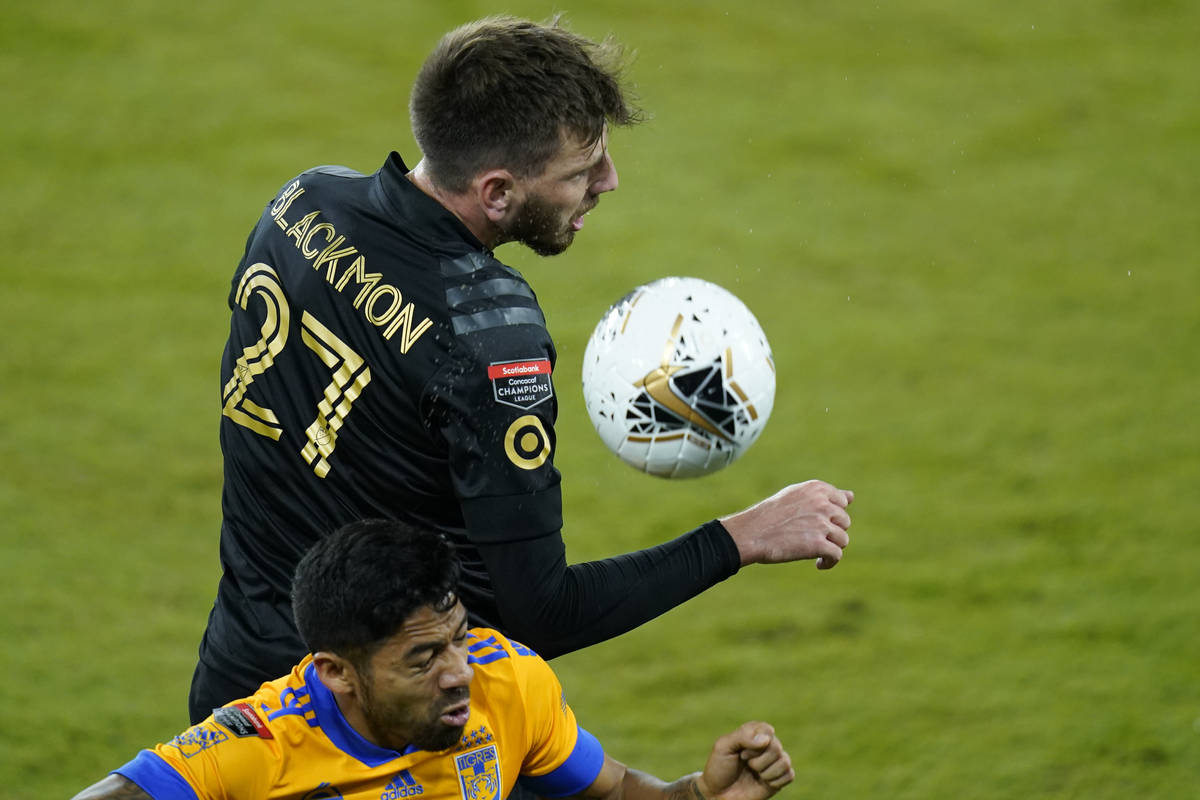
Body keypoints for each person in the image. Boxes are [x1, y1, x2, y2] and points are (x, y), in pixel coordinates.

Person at [191, 14, 854, 724]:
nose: (610, 181)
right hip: (370, 732)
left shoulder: (301, 203)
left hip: (232, 692)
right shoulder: (487, 333)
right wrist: (742, 537)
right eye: (581, 171)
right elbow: (543, 612)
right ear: (498, 192)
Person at [76, 520, 795, 800]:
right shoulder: (258, 747)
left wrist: (702, 795)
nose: (458, 670)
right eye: (423, 658)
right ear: (335, 672)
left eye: (456, 636)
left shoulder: (509, 681)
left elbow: (612, 795)